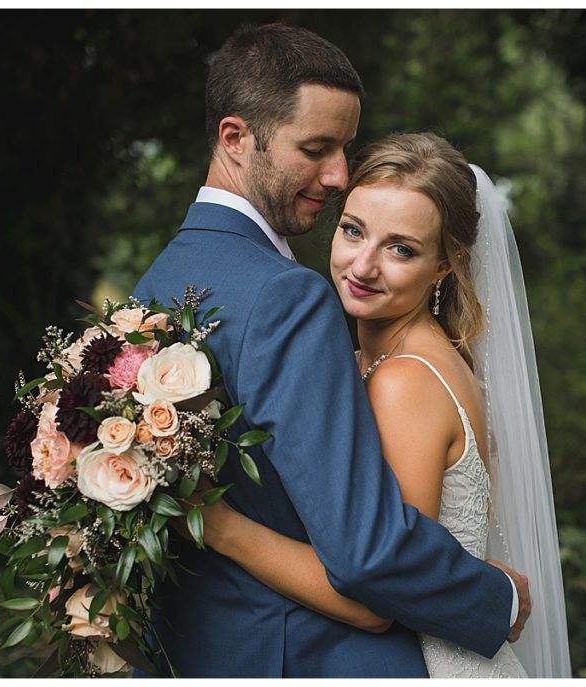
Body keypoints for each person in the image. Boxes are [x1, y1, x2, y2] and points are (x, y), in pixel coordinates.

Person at [131, 24, 530, 678]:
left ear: (441, 268)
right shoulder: (287, 295)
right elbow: (368, 558)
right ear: (235, 138)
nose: (340, 174)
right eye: (316, 148)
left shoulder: (155, 284)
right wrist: (500, 596)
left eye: (344, 149)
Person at [189, 132, 573, 678]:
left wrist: (219, 525)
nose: (362, 265)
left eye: (401, 249)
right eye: (353, 231)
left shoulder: (405, 381)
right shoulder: (362, 361)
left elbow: (378, 595)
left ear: (443, 267)